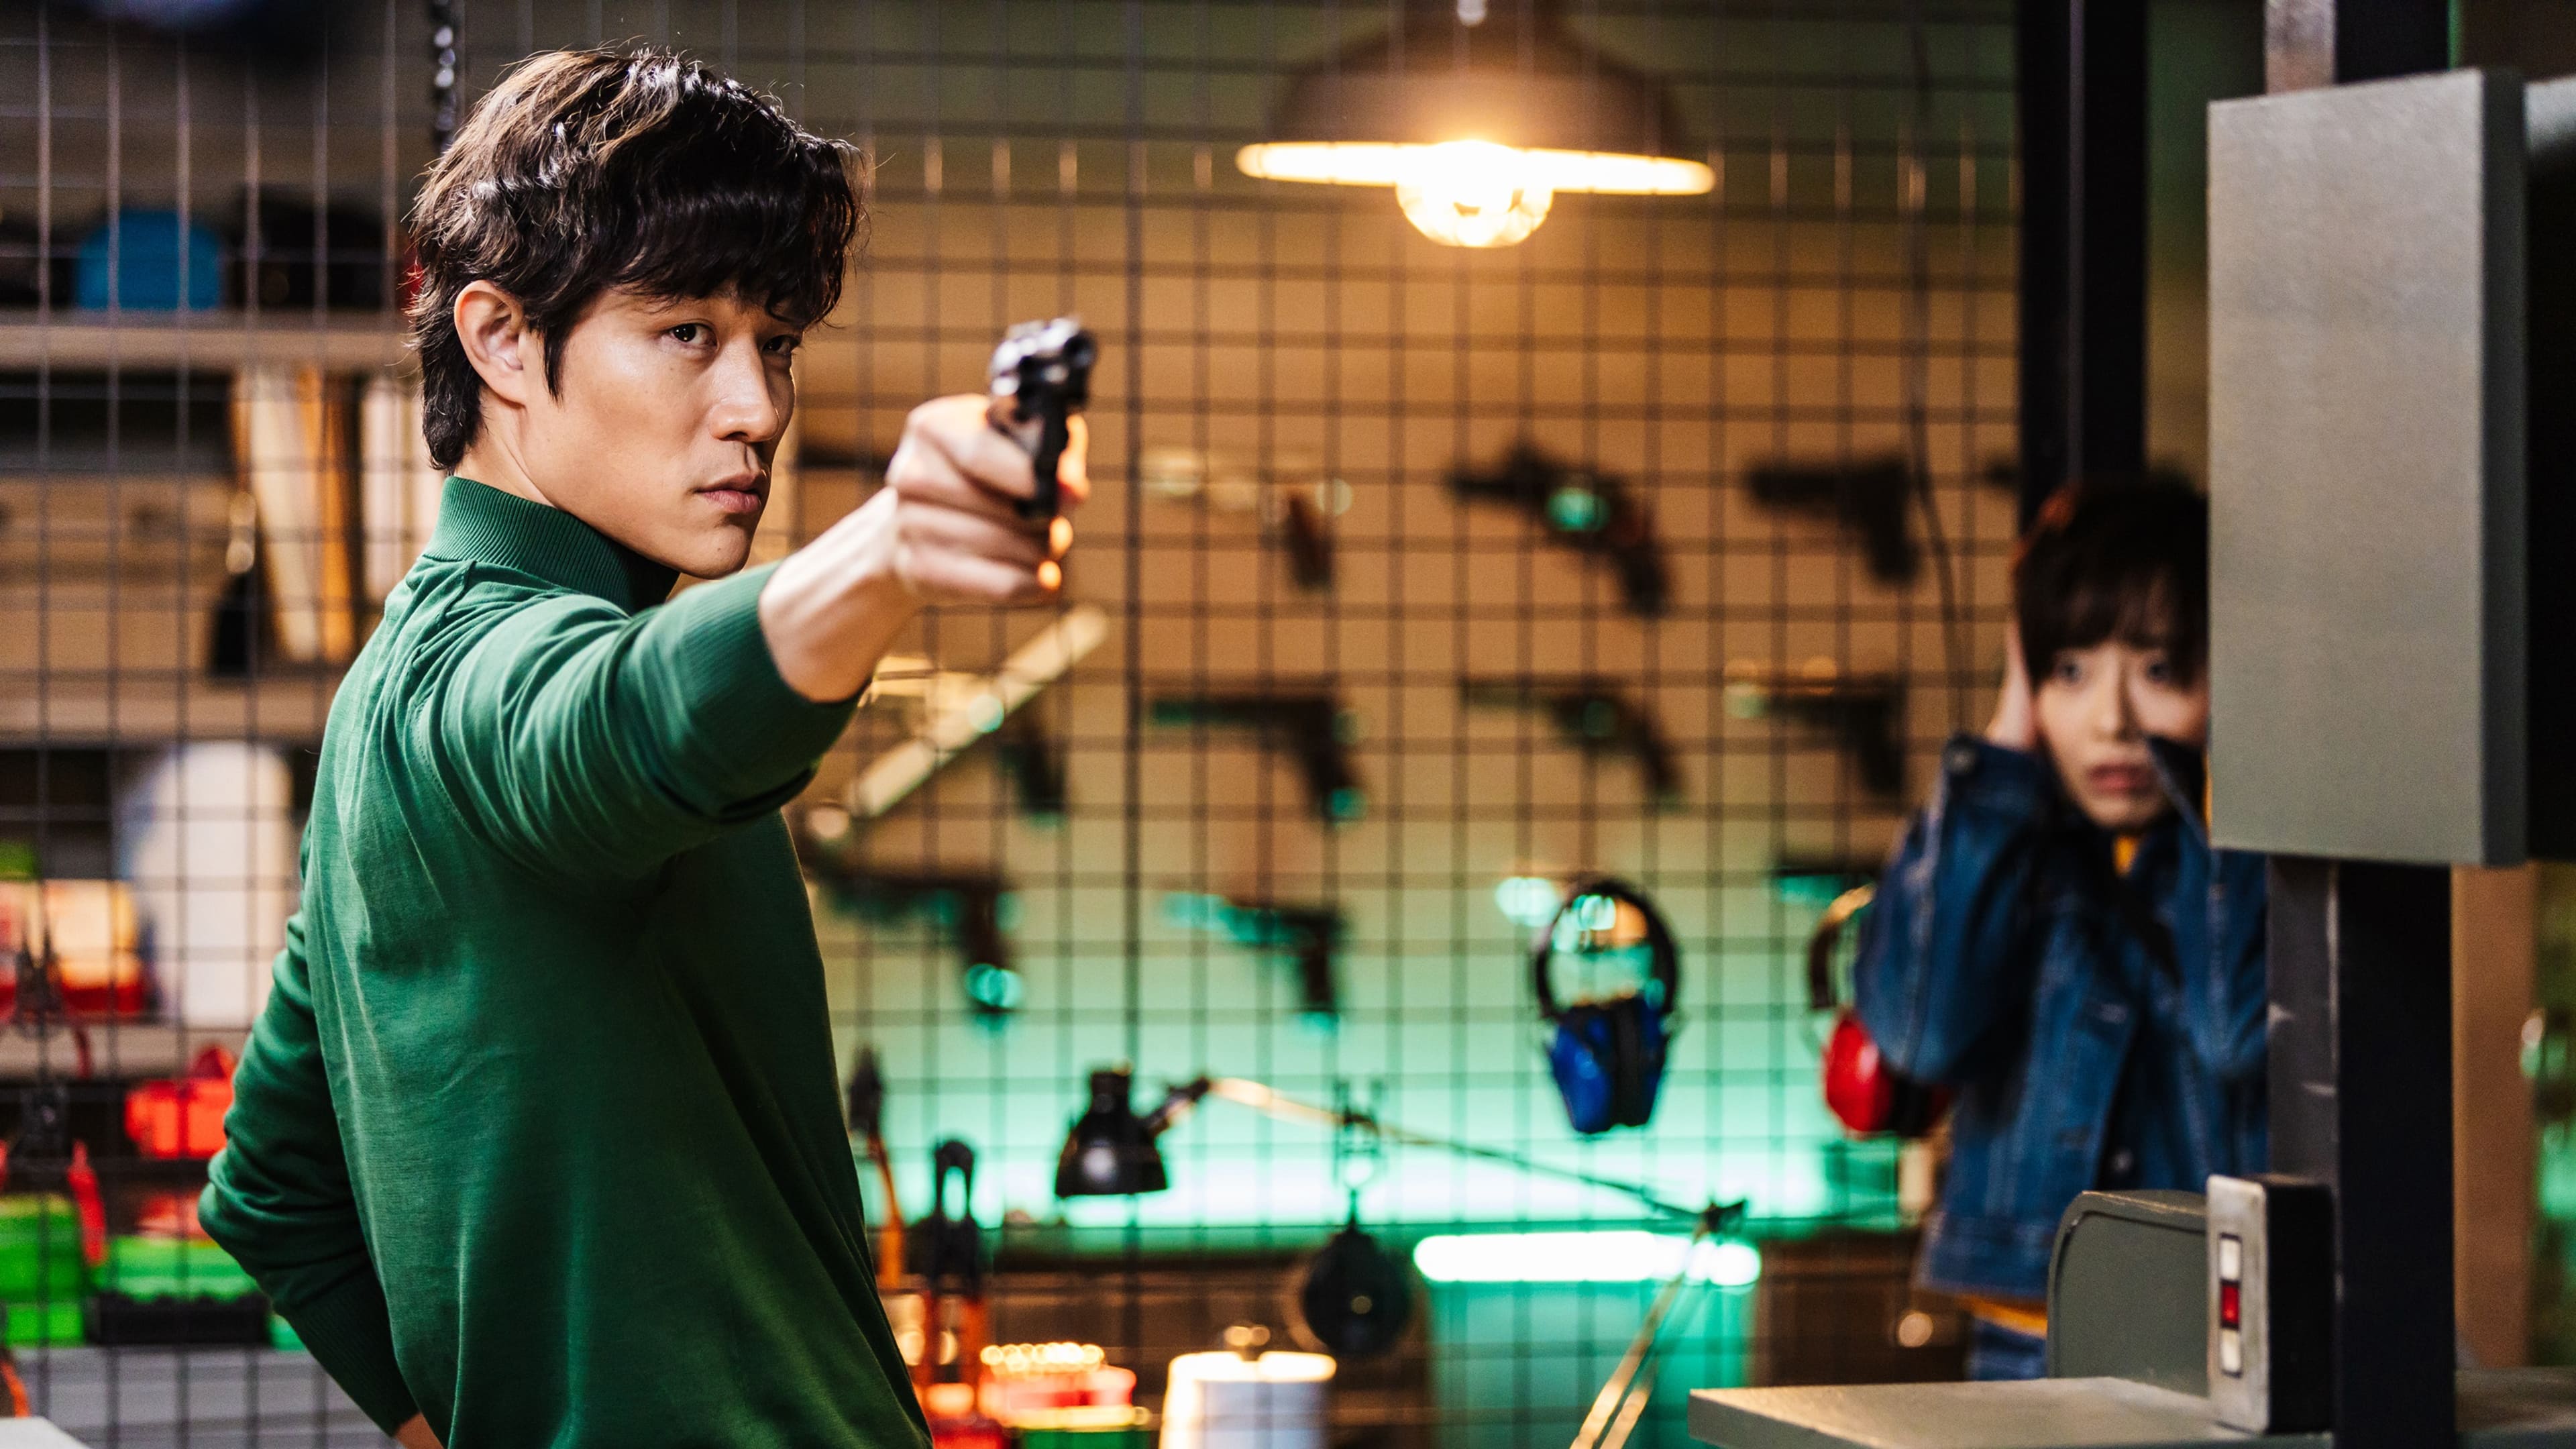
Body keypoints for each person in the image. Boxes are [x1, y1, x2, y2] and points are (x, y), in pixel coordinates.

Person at [197, 48, 1085, 1448]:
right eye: (684, 332)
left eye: (773, 343)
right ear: (500, 341)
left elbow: (271, 1188)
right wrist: (890, 548)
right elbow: (618, 721)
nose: (758, 408)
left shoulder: (384, 700)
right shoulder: (479, 678)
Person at [1850, 480, 2265, 1381]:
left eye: (2159, 671)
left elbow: (2233, 1034)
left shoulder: (2242, 859)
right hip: (2023, 1343)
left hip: (2209, 1347)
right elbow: (1922, 1032)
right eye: (2068, 672)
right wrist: (2006, 744)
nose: (2112, 722)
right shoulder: (2000, 841)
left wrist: (2224, 806)